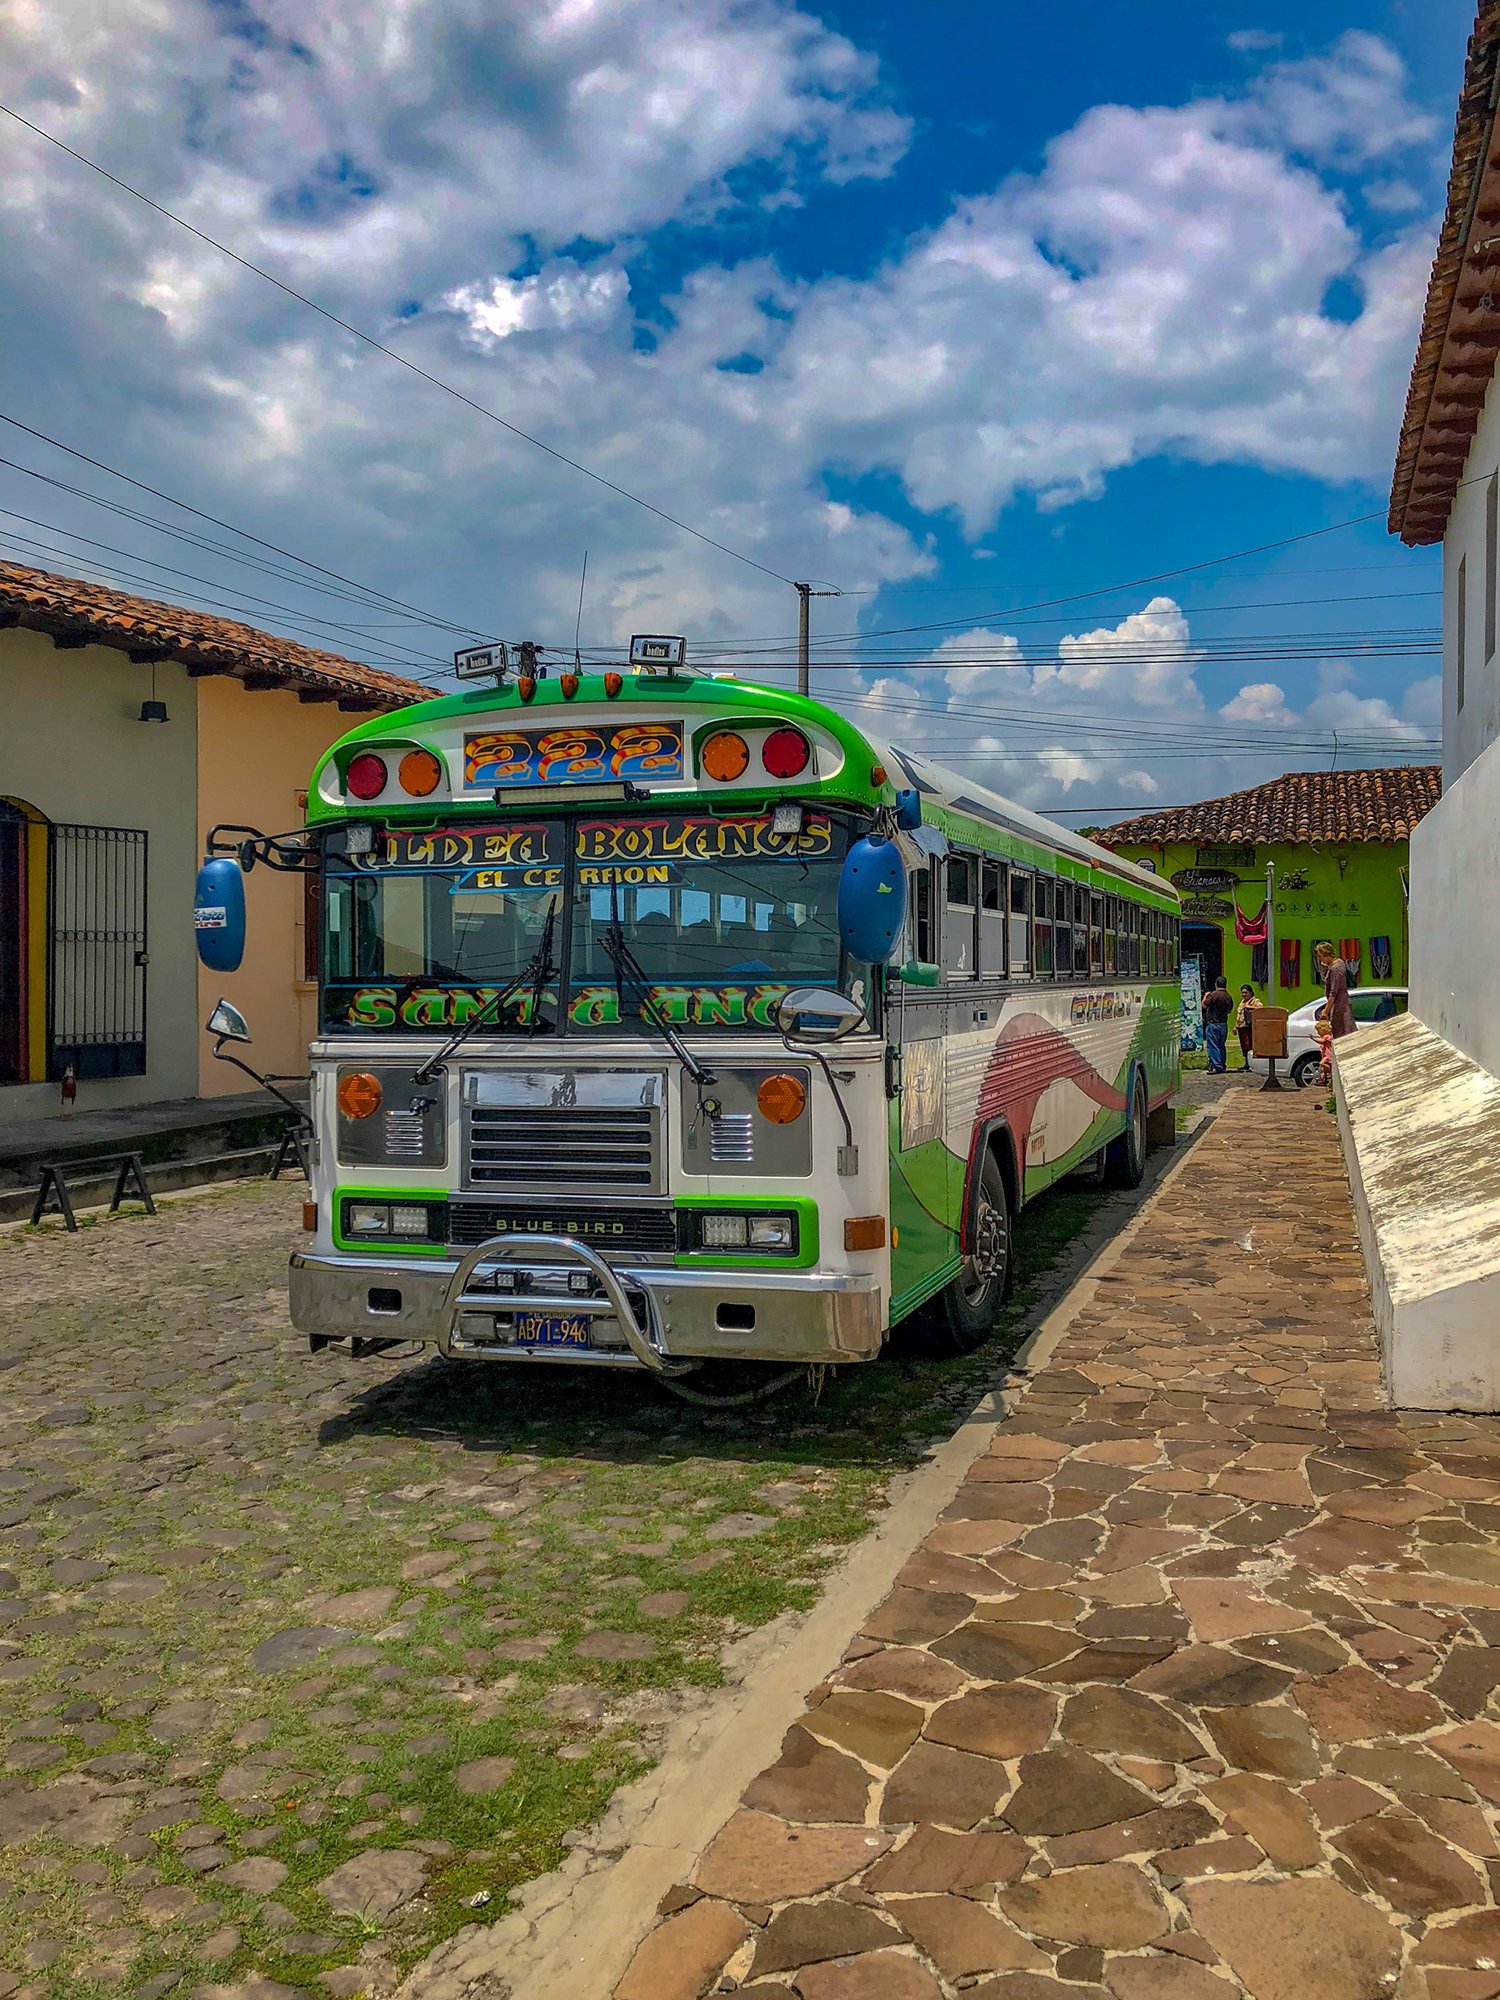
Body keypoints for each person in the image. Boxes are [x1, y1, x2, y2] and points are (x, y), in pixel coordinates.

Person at [1314, 941, 1356, 1041]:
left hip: (1339, 1006)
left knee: (1341, 1033)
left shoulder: (1336, 968)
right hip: (1339, 1003)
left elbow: (1333, 991)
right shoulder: (1337, 964)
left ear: (1326, 954)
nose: (1319, 959)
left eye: (1320, 956)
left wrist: (1326, 1011)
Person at [1201, 975, 1233, 1075]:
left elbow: (1204, 1005)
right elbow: (1230, 1010)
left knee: (1213, 1045)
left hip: (1213, 1023)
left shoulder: (1213, 995)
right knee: (1221, 1045)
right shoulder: (1228, 996)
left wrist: (1206, 996)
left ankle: (1217, 1065)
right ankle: (1222, 1064)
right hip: (1224, 1024)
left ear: (1216, 984)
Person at [1234, 983, 1261, 1070]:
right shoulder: (1242, 1002)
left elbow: (1261, 1009)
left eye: (1246, 993)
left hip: (1249, 1027)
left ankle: (1251, 1064)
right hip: (1241, 1027)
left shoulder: (1255, 1001)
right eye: (1242, 993)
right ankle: (1246, 1063)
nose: (1244, 994)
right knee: (1244, 1046)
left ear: (1251, 992)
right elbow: (1239, 1015)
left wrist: (1249, 1006)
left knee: (1249, 1045)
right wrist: (1235, 1026)